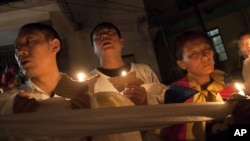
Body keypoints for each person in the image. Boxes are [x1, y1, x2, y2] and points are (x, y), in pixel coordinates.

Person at [0, 23, 91, 140]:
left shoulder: (87, 95)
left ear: (54, 46)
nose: (20, 52)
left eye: (29, 41)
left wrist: (92, 128)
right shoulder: (8, 105)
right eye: (17, 47)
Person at [87, 22, 167, 141]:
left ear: (121, 42)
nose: (105, 37)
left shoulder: (144, 70)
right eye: (98, 36)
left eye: (110, 33)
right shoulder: (88, 81)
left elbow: (164, 106)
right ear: (93, 48)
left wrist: (147, 101)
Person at [162, 30, 237, 141]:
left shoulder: (228, 86)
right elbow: (176, 135)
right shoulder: (177, 94)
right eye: (194, 53)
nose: (205, 57)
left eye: (206, 49)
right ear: (182, 64)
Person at [237, 30, 250, 94]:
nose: (248, 45)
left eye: (249, 41)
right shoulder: (238, 74)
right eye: (243, 44)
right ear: (239, 52)